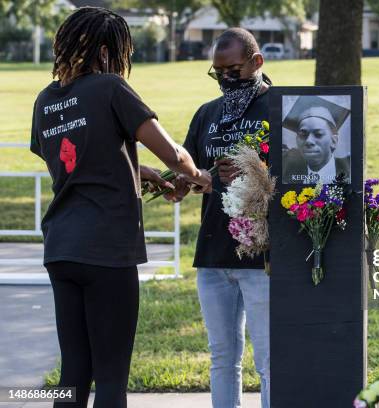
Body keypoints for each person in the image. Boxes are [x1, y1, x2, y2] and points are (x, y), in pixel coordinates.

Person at [29, 7, 212, 408]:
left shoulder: (45, 101)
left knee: (73, 373)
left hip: (61, 247)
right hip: (106, 248)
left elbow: (70, 165)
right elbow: (175, 155)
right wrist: (202, 176)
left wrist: (134, 168)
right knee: (112, 377)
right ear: (108, 52)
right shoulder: (110, 87)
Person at [168, 28, 271, 408]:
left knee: (268, 359)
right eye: (218, 73)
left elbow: (301, 178)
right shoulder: (207, 114)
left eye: (233, 70)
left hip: (260, 255)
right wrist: (185, 183)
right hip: (212, 253)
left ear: (257, 62)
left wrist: (255, 173)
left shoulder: (280, 107)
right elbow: (195, 172)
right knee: (223, 357)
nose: (226, 80)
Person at [281, 95, 351, 184]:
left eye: (318, 134)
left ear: (334, 141)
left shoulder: (350, 171)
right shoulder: (286, 174)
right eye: (303, 134)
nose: (309, 141)